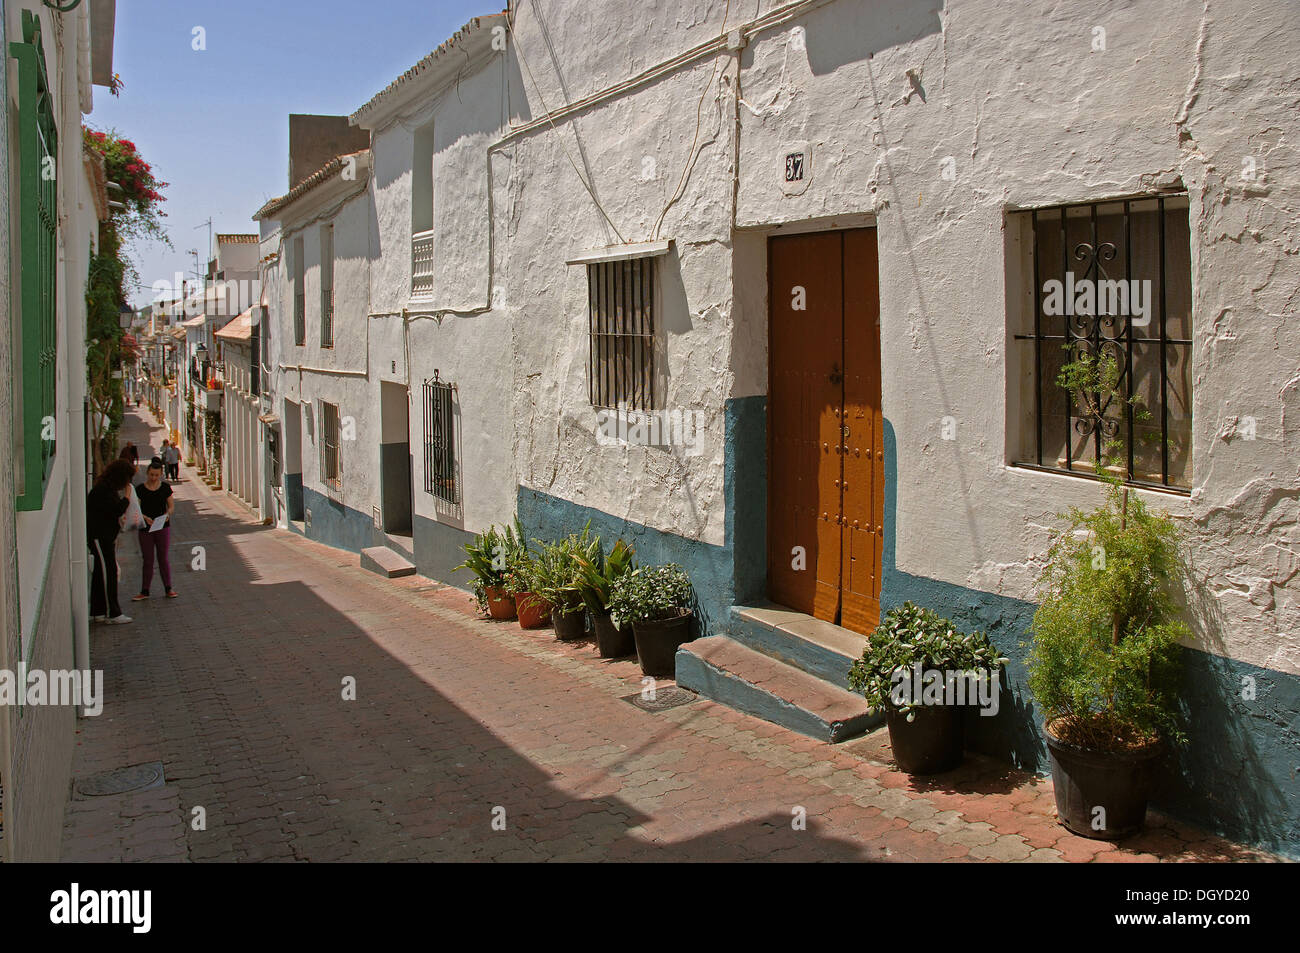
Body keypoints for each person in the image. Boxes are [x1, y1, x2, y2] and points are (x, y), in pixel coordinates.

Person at [87, 459, 137, 624]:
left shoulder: (107, 489)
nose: (127, 483)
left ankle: (98, 611)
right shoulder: (103, 491)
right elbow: (116, 510)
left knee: (101, 574)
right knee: (109, 573)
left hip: (104, 537)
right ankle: (112, 613)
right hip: (100, 538)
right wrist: (128, 497)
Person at [133, 457, 177, 601]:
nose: (153, 478)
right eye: (151, 474)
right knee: (148, 560)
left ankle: (168, 588)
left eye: (156, 475)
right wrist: (145, 517)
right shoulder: (140, 489)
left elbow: (171, 506)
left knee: (163, 558)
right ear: (148, 473)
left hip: (162, 527)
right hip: (145, 528)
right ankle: (145, 590)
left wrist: (167, 514)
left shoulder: (165, 488)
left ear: (161, 474)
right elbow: (136, 509)